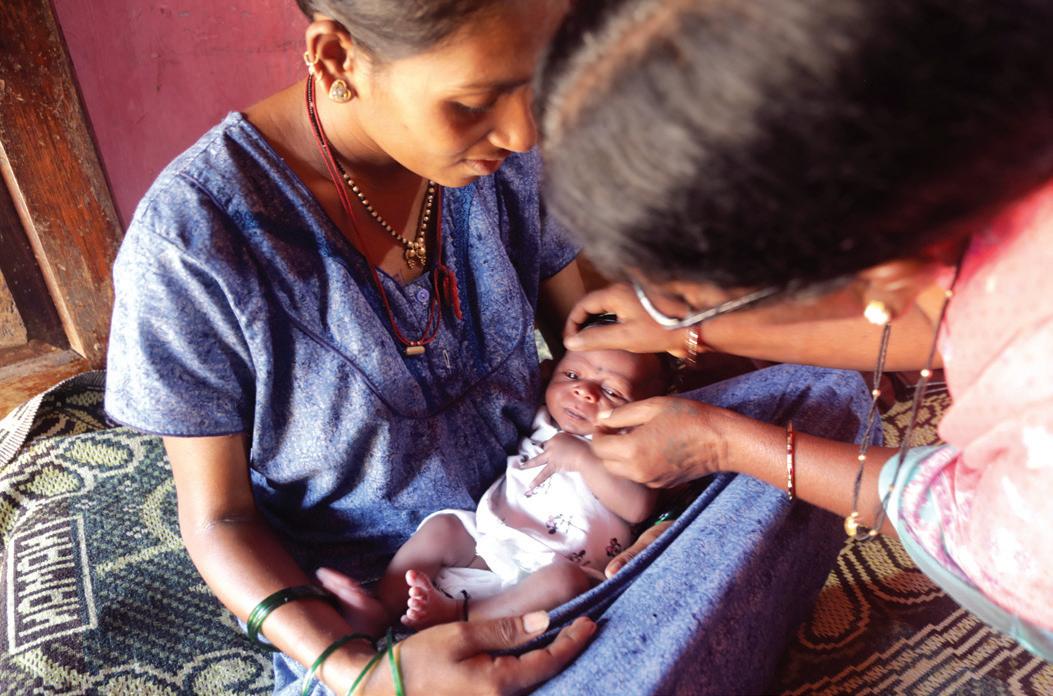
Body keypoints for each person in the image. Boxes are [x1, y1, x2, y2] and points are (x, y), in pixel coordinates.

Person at [104, 2, 878, 695]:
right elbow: (220, 522)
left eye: (536, 86)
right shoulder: (192, 241)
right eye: (474, 102)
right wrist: (361, 673)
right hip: (397, 611)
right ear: (336, 57)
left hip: (569, 522)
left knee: (824, 400)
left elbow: (604, 347)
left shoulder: (503, 159)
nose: (521, 134)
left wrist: (653, 507)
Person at [538, 0, 1053, 661]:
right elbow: (935, 317)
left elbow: (958, 515)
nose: (680, 314)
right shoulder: (971, 156)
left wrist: (724, 443)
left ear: (879, 275)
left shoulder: (1034, 494)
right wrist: (684, 328)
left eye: (689, 299)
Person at [372, 326, 669, 630]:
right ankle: (379, 609)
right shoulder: (543, 417)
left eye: (612, 392)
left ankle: (462, 616)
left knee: (565, 582)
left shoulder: (629, 449)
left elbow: (638, 507)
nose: (584, 391)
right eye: (571, 375)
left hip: (555, 567)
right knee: (443, 527)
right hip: (489, 538)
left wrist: (584, 458)